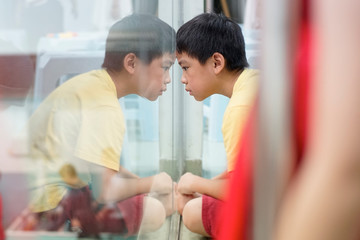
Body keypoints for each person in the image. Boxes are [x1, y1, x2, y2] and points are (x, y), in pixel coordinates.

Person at [25, 14, 176, 237]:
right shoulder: (104, 107)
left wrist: (140, 182)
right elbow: (104, 191)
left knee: (161, 198)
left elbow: (97, 163)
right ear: (131, 63)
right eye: (165, 67)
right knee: (156, 209)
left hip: (36, 197)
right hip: (50, 210)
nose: (169, 78)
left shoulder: (93, 84)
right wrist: (152, 183)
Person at [175, 13, 258, 238]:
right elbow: (247, 170)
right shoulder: (255, 82)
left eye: (185, 67)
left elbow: (247, 192)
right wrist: (206, 185)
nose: (183, 78)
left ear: (216, 62)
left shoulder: (239, 109)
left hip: (276, 211)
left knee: (191, 211)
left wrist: (195, 182)